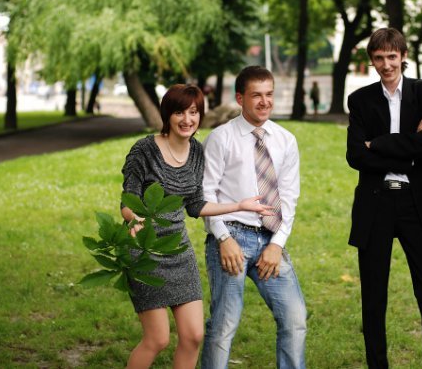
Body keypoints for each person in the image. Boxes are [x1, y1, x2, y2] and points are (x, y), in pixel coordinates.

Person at [120, 84, 272, 369]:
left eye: (193, 112)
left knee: (193, 336)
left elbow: (195, 205)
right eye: (179, 112)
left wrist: (238, 205)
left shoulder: (197, 152)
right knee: (157, 339)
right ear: (167, 115)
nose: (187, 119)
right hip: (144, 251)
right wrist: (134, 218)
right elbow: (128, 200)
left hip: (178, 251)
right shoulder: (145, 149)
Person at [346, 27, 422, 369]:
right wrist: (408, 151)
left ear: (403, 56)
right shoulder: (360, 100)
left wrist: (377, 144)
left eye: (392, 56)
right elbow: (355, 155)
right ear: (372, 60)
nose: (386, 64)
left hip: (417, 203)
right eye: (379, 58)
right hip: (377, 202)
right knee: (373, 295)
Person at [201, 66, 307, 368]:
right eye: (256, 95)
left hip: (270, 240)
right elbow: (205, 195)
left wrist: (277, 244)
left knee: (295, 318)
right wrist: (223, 239)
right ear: (240, 98)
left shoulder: (286, 140)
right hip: (230, 237)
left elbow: (288, 198)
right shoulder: (221, 138)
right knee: (224, 325)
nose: (265, 102)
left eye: (269, 94)